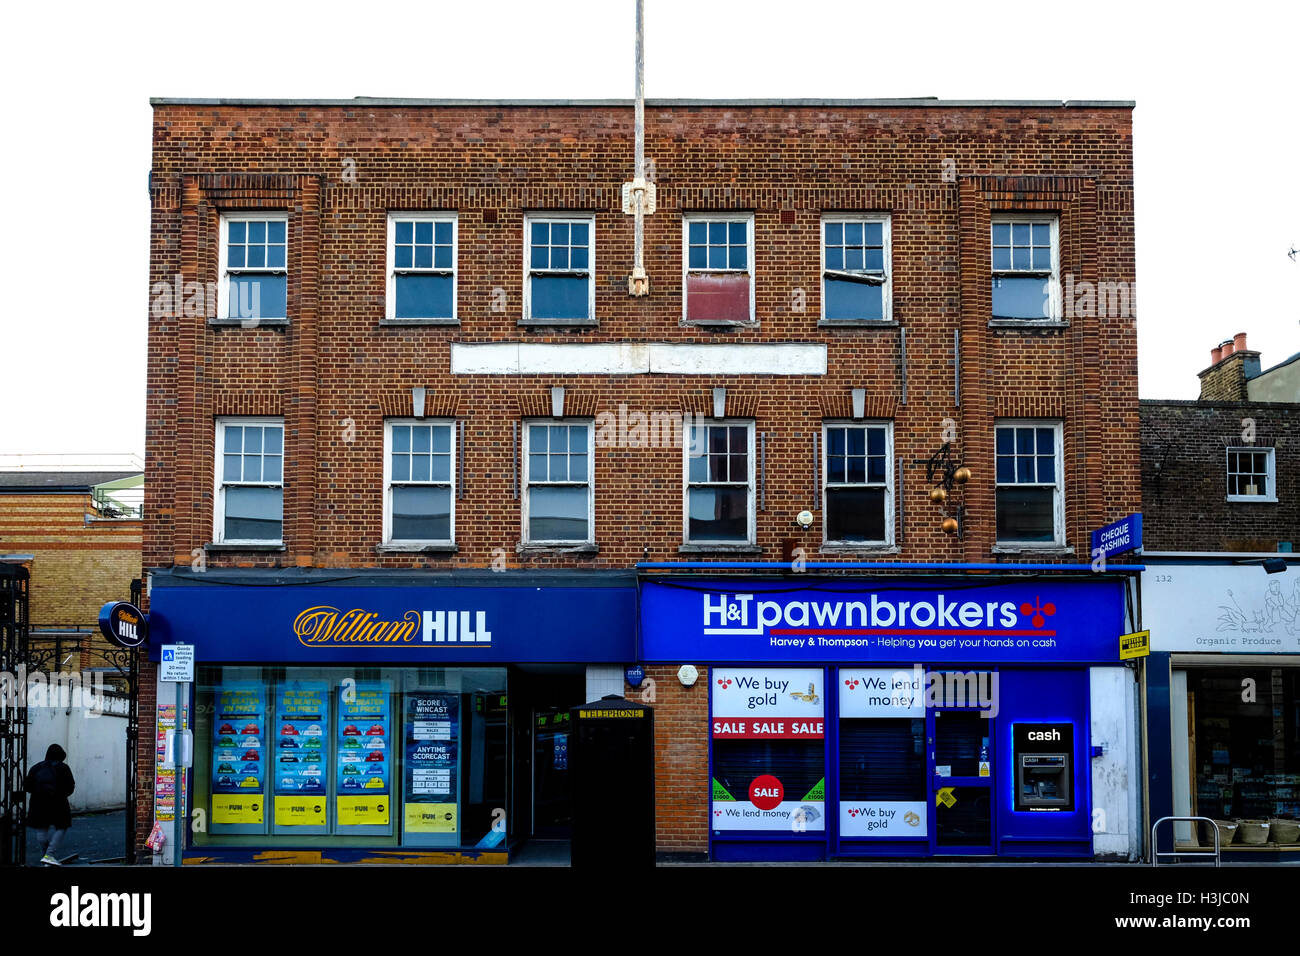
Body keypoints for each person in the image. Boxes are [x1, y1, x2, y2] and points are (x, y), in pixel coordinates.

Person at [25, 744, 75, 866]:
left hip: (38, 803)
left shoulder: (36, 768)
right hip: (58, 803)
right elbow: (70, 786)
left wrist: (38, 794)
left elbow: (27, 786)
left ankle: (45, 857)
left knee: (41, 830)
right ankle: (50, 855)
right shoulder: (63, 768)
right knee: (62, 827)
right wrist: (61, 794)